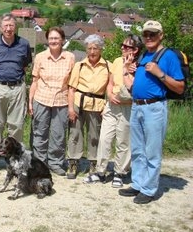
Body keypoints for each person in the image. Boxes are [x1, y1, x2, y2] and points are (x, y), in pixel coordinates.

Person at [119, 20, 184, 204]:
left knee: (152, 151)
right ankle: (138, 184)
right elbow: (134, 85)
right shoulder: (144, 56)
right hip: (137, 106)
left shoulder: (168, 56)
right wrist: (127, 71)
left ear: (161, 35)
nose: (148, 37)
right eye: (146, 34)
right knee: (138, 149)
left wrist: (159, 73)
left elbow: (180, 87)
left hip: (154, 108)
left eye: (152, 34)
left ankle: (149, 189)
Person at [84, 34, 143, 187]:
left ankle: (120, 172)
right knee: (104, 139)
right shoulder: (117, 61)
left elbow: (134, 89)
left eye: (126, 46)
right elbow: (110, 83)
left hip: (128, 107)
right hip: (111, 106)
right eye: (122, 46)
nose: (122, 48)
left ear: (135, 50)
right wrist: (109, 94)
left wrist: (127, 69)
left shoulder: (140, 65)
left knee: (123, 142)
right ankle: (100, 172)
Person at [0, 13, 32, 175]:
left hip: (18, 88)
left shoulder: (24, 44)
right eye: (5, 26)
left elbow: (25, 65)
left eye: (11, 26)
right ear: (0, 28)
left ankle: (16, 160)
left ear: (15, 27)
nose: (8, 29)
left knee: (16, 126)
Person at [28, 27, 75, 176]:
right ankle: (39, 163)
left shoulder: (70, 57)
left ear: (62, 40)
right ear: (47, 40)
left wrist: (71, 106)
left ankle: (55, 162)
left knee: (58, 134)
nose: (54, 41)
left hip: (61, 100)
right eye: (51, 38)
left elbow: (72, 84)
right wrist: (30, 102)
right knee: (39, 133)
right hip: (41, 98)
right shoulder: (41, 57)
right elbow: (34, 81)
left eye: (57, 38)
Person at [67, 34, 110, 180]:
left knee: (94, 135)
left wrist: (106, 107)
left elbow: (110, 89)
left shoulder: (107, 67)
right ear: (86, 49)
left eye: (95, 48)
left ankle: (93, 162)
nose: (92, 51)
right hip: (79, 102)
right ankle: (73, 162)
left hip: (97, 104)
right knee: (75, 134)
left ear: (101, 49)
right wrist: (71, 109)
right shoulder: (79, 66)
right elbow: (71, 89)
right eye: (89, 48)